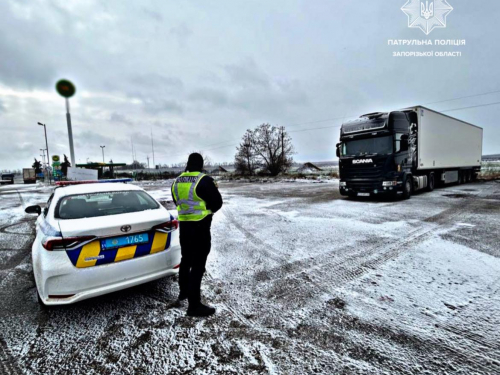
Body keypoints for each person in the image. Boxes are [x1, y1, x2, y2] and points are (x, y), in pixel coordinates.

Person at [171, 153, 223, 317]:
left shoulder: (177, 181)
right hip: (200, 226)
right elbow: (217, 202)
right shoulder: (204, 180)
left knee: (186, 259)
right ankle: (194, 305)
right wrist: (208, 210)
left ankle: (184, 292)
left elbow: (177, 201)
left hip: (185, 226)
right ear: (200, 164)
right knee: (198, 264)